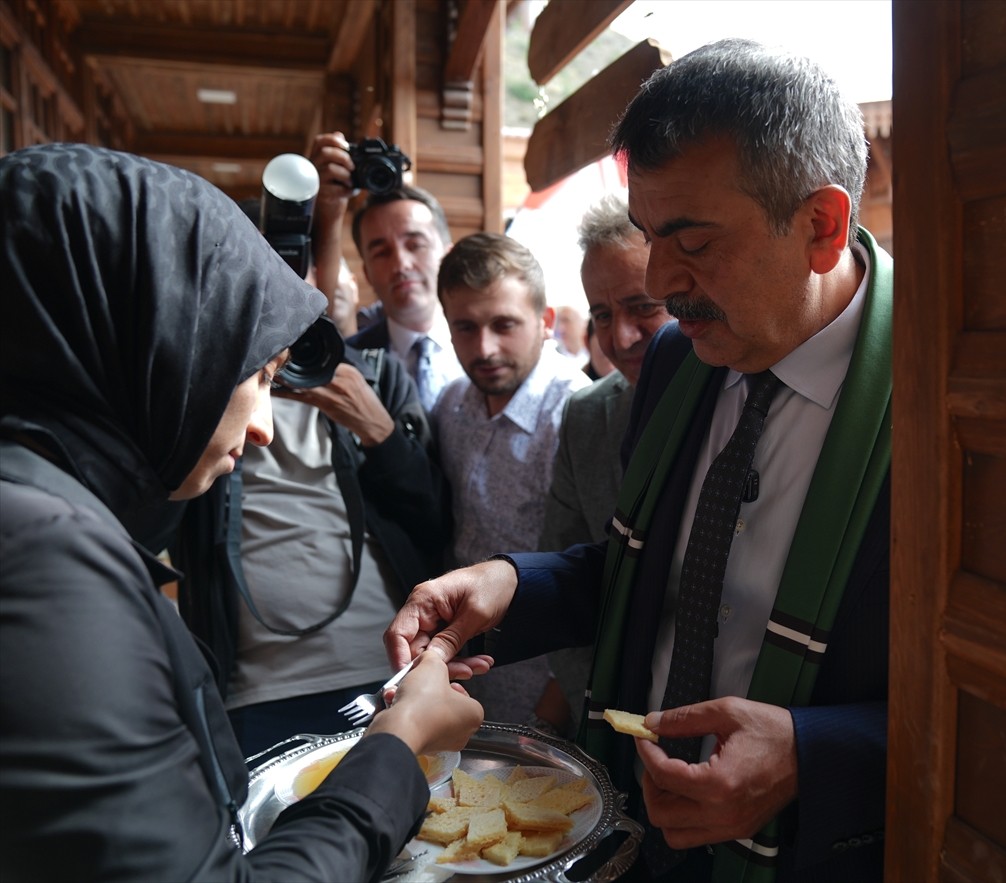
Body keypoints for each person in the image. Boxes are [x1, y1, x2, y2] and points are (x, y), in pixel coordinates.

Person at [385, 38, 893, 883]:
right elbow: (655, 575)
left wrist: (812, 753)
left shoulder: (942, 395)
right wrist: (511, 583)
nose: (660, 279)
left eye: (691, 241)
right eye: (652, 236)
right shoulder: (676, 358)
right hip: (637, 829)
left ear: (821, 225)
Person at [0, 143, 484, 881]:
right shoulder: (47, 564)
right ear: (157, 344)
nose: (264, 426)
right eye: (252, 370)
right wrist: (400, 742)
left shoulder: (42, 510)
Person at [170, 310, 451, 756]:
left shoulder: (374, 374)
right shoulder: (206, 376)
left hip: (388, 669)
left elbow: (436, 524)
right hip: (255, 688)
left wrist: (379, 431)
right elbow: (156, 521)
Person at [432, 232, 590, 727]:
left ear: (545, 321)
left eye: (504, 325)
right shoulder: (451, 404)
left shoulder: (576, 411)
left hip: (550, 684)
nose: (485, 348)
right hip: (463, 672)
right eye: (465, 327)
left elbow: (600, 560)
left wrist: (560, 692)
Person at [538, 194, 675, 731]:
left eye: (643, 307)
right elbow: (565, 579)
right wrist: (603, 718)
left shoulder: (743, 401)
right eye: (602, 315)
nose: (620, 337)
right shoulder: (587, 416)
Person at [309, 131, 464, 412]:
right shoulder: (349, 363)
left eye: (415, 245)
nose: (401, 264)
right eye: (381, 253)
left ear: (447, 255)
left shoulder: (485, 345)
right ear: (367, 273)